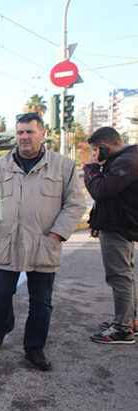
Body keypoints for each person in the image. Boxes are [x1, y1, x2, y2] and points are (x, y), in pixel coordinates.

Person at [0, 112, 86, 371]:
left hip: (43, 245)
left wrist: (57, 234)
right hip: (7, 244)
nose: (24, 137)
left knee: (42, 301)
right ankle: (3, 325)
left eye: (30, 132)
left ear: (43, 133)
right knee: (1, 294)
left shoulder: (63, 166)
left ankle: (34, 348)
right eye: (20, 132)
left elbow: (76, 203)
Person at [83, 126, 138, 344]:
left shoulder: (126, 162)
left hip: (118, 228)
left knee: (119, 276)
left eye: (96, 150)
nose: (95, 154)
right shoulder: (125, 159)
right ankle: (129, 320)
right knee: (126, 274)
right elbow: (108, 197)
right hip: (118, 223)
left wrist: (92, 169)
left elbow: (100, 191)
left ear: (105, 147)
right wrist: (96, 221)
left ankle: (123, 329)